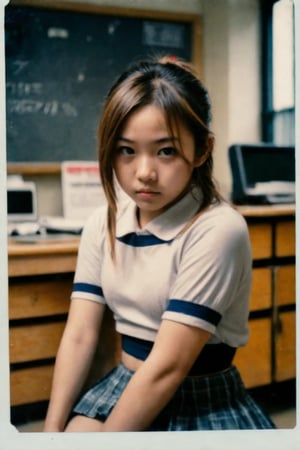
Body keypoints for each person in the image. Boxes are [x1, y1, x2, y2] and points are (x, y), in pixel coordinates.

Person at [43, 56, 275, 432]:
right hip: (122, 383)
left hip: (201, 400)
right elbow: (80, 334)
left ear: (201, 150)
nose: (144, 173)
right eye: (126, 151)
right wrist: (50, 433)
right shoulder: (103, 221)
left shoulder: (219, 229)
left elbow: (168, 367)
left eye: (165, 151)